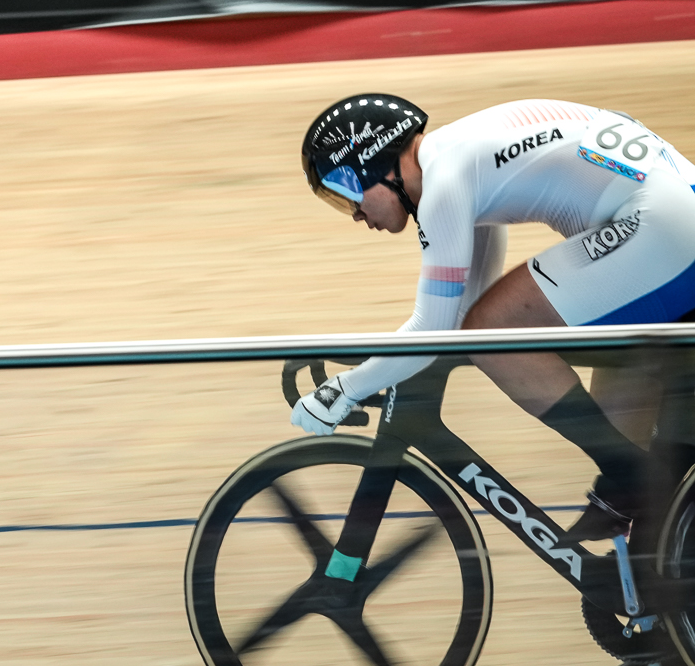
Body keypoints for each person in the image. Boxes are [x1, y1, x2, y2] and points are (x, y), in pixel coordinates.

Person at [294, 94, 695, 536]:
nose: (352, 213)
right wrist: (377, 367)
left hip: (659, 227)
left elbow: (439, 329)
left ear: (378, 164)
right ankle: (645, 526)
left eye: (345, 190)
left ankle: (637, 482)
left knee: (494, 332)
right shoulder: (460, 160)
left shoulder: (444, 184)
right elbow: (460, 310)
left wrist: (342, 392)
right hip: (669, 217)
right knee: (499, 330)